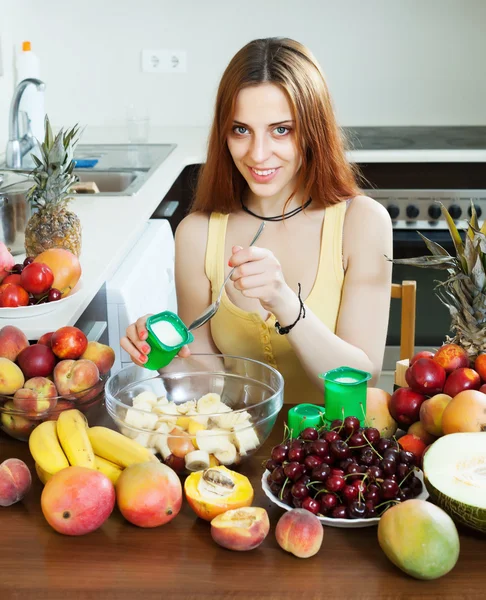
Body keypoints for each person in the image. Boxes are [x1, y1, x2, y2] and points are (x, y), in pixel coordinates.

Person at [121, 37, 393, 405]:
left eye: (281, 129)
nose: (258, 154)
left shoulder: (362, 223)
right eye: (241, 130)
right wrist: (163, 355)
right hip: (243, 448)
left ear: (313, 131)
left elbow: (363, 376)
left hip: (339, 451)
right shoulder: (196, 234)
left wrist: (284, 302)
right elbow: (204, 387)